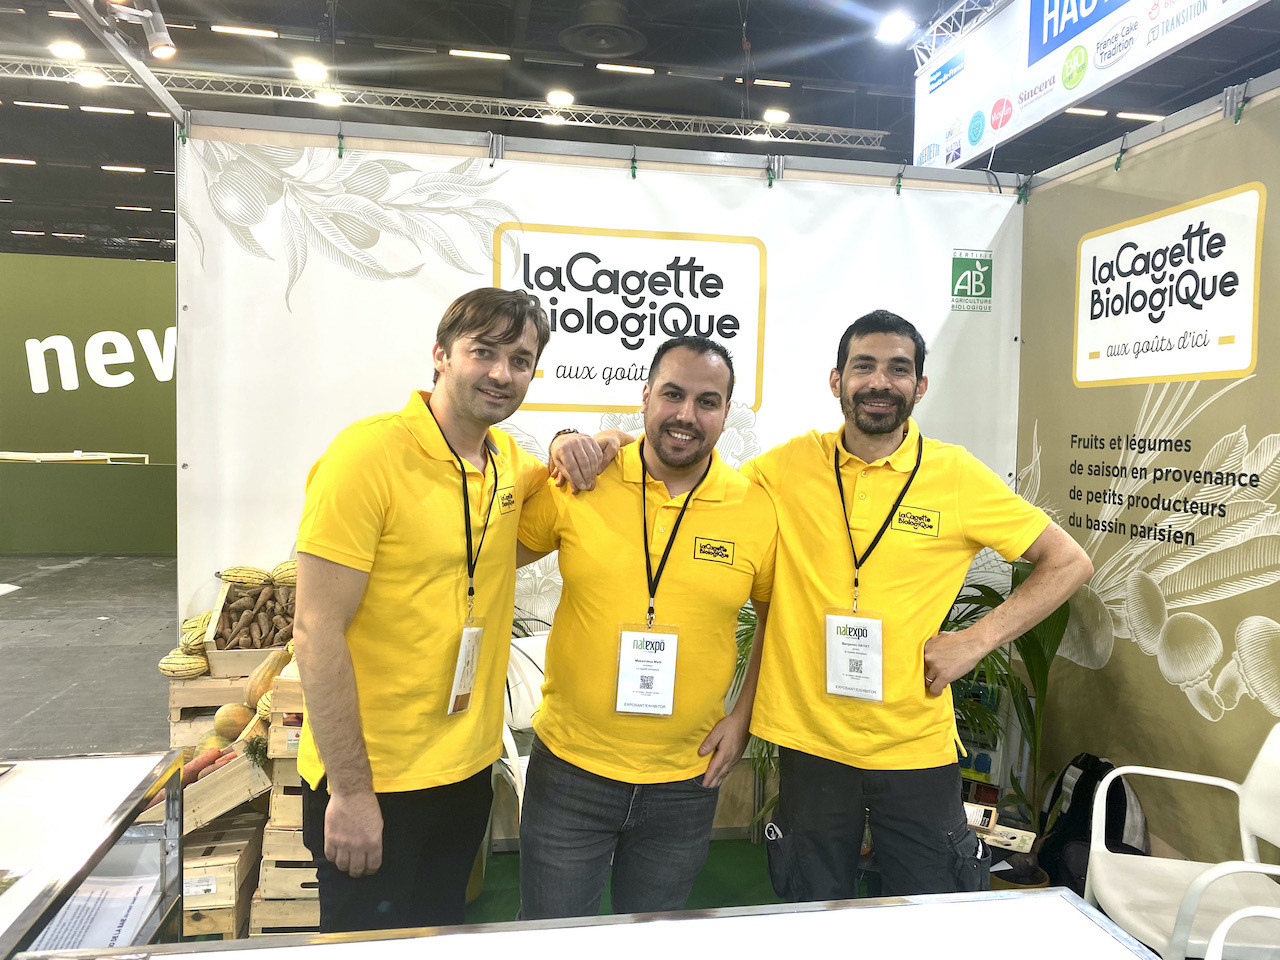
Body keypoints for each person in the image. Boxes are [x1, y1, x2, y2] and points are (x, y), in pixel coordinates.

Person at [742, 309, 1093, 900]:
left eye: (898, 369)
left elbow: (1069, 562)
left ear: (920, 385)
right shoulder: (790, 464)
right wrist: (616, 444)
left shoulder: (954, 474)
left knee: (932, 909)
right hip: (810, 737)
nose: (880, 382)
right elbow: (700, 485)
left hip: (913, 741)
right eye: (864, 366)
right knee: (811, 907)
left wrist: (977, 640)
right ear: (836, 380)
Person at [292, 287, 614, 932]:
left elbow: (573, 474)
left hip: (466, 771)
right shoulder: (367, 456)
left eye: (520, 360)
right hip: (376, 778)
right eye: (483, 352)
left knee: (439, 935)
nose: (501, 373)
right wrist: (351, 792)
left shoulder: (508, 466)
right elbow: (314, 629)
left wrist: (574, 439)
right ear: (440, 355)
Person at [515, 335, 777, 919]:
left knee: (654, 941)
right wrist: (562, 443)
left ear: (726, 412)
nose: (686, 415)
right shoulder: (583, 480)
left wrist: (744, 717)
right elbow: (491, 553)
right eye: (672, 395)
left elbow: (773, 619)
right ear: (645, 397)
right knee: (552, 940)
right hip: (571, 770)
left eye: (707, 401)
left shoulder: (754, 508)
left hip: (686, 779)